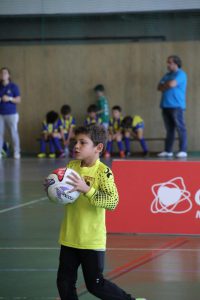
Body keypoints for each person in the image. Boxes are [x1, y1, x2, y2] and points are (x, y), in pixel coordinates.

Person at [54, 124, 147, 300]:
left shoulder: (104, 172)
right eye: (75, 141)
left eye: (83, 142)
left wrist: (87, 189)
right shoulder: (71, 166)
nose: (76, 146)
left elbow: (112, 202)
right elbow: (64, 194)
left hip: (91, 239)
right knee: (64, 282)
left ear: (98, 147)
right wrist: (53, 188)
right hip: (69, 236)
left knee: (95, 285)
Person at [157, 55, 188, 158]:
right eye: (167, 62)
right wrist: (167, 84)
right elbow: (159, 87)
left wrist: (166, 85)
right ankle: (168, 150)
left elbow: (172, 84)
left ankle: (183, 150)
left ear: (176, 63)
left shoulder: (181, 74)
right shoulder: (167, 75)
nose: (168, 64)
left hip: (176, 106)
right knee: (169, 129)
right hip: (165, 105)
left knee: (180, 128)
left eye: (170, 62)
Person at [0, 67, 21, 159]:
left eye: (5, 73)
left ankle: (17, 152)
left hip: (12, 114)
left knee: (13, 133)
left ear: (9, 75)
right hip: (0, 115)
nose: (3, 75)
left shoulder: (13, 86)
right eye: (1, 73)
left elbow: (18, 100)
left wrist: (9, 98)